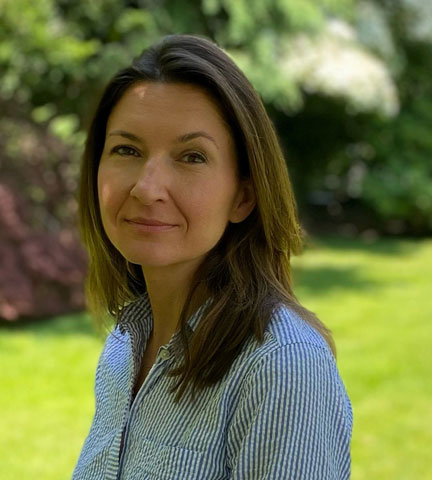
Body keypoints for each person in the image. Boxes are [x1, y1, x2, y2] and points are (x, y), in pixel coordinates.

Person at [72, 34, 353, 480]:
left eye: (191, 157)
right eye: (127, 149)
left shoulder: (281, 367)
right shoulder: (125, 346)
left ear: (243, 196)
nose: (146, 187)